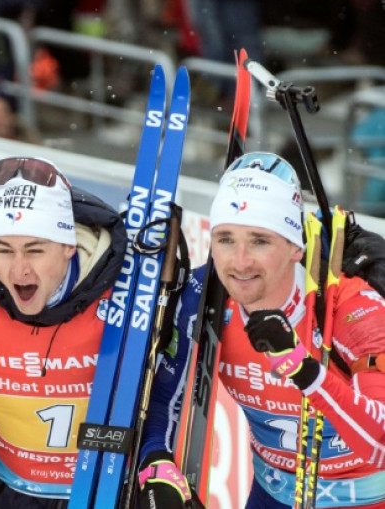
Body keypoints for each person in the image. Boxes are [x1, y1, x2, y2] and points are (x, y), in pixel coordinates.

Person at [142, 152, 385, 508]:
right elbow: (164, 398)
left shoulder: (352, 307)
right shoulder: (204, 297)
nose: (239, 262)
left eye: (259, 241)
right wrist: (156, 465)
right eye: (225, 239)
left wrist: (305, 370)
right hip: (273, 494)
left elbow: (379, 444)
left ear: (293, 247)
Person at [0, 155, 134, 507]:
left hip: (107, 493)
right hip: (10, 491)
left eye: (35, 251)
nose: (19, 270)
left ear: (68, 246)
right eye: (4, 250)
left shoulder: (129, 289)